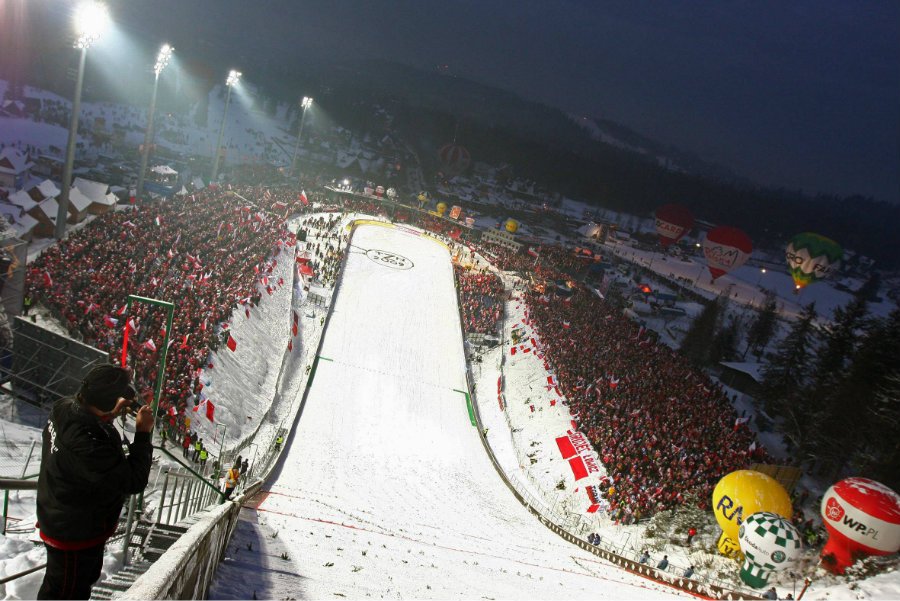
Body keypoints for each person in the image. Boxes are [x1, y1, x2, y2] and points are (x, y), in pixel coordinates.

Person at [36, 365, 153, 599]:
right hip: (74, 534)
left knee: (67, 586)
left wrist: (108, 414)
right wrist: (142, 433)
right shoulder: (88, 445)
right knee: (66, 592)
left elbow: (86, 434)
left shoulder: (64, 408)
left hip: (63, 517)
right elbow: (133, 481)